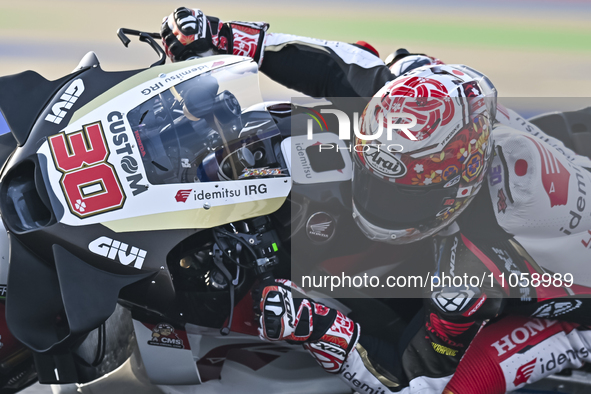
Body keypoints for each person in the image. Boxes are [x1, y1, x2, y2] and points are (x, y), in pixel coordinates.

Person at [160, 7, 591, 393]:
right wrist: (227, 37)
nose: (375, 200)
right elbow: (345, 66)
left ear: (456, 192)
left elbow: (413, 372)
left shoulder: (471, 273)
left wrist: (321, 328)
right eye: (372, 180)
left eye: (400, 196)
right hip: (562, 157)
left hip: (572, 308)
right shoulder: (439, 94)